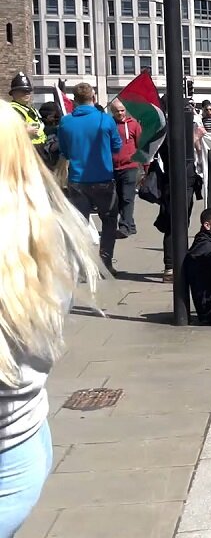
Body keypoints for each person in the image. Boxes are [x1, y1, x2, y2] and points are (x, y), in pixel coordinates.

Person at [0, 99, 103, 536]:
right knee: (111, 221)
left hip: (16, 441)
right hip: (25, 436)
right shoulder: (50, 239)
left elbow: (60, 144)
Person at [57, 84, 122, 272]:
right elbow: (116, 146)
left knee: (79, 223)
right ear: (93, 97)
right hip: (102, 177)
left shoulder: (66, 122)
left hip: (77, 179)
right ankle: (105, 261)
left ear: (74, 99)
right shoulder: (105, 119)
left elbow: (65, 151)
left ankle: (81, 263)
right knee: (109, 220)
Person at [107, 100, 146, 239]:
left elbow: (141, 146)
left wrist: (146, 167)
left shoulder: (134, 125)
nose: (120, 113)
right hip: (112, 167)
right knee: (117, 198)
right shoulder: (109, 124)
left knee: (127, 197)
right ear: (112, 111)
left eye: (122, 110)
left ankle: (124, 227)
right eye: (117, 110)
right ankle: (131, 225)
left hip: (130, 166)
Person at [8, 73, 45, 149]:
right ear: (13, 93)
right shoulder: (11, 110)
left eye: (28, 91)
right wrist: (24, 132)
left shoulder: (30, 109)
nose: (27, 93)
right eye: (23, 91)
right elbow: (6, 131)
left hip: (40, 148)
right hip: (25, 148)